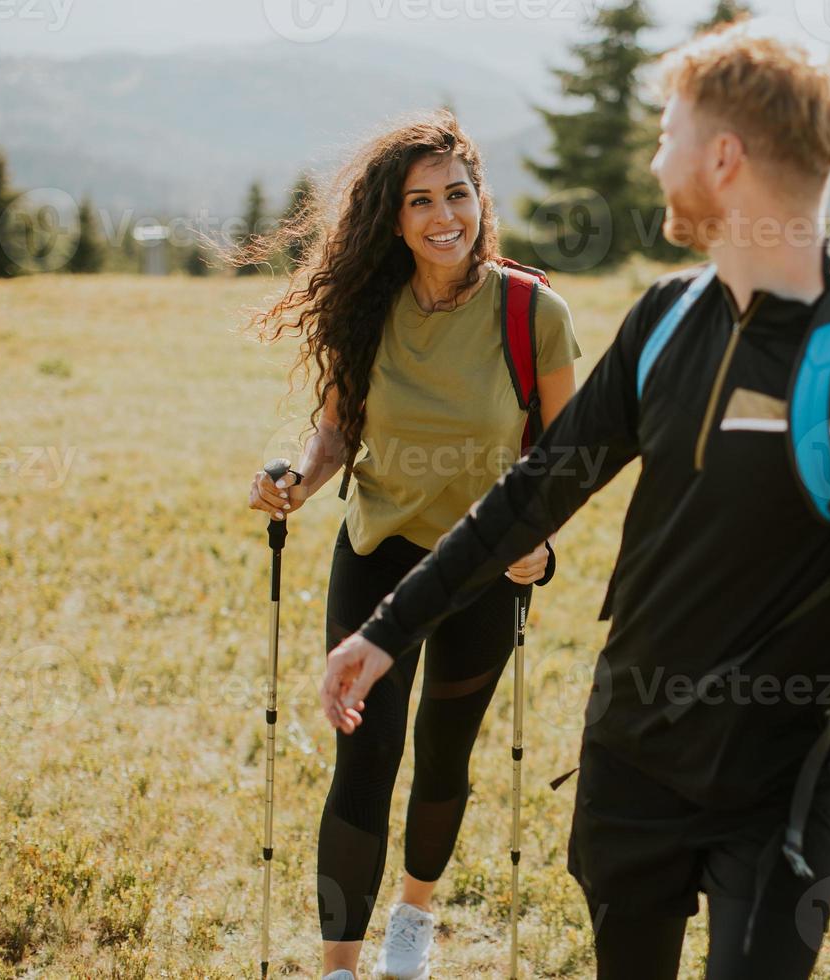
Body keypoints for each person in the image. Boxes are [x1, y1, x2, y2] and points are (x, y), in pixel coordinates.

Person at [316, 25, 830, 979]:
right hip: (629, 768)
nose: (655, 156)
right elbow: (534, 494)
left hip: (780, 788)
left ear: (723, 158)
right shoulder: (667, 319)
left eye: (669, 134)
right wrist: (387, 631)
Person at [242, 110, 581, 979]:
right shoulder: (366, 311)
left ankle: (413, 918)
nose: (444, 216)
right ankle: (339, 968)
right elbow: (335, 435)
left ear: (480, 200)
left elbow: (565, 457)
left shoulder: (530, 311)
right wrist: (294, 484)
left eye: (457, 195)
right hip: (380, 555)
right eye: (420, 200)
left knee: (444, 750)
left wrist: (538, 544)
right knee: (365, 755)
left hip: (482, 564)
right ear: (391, 219)